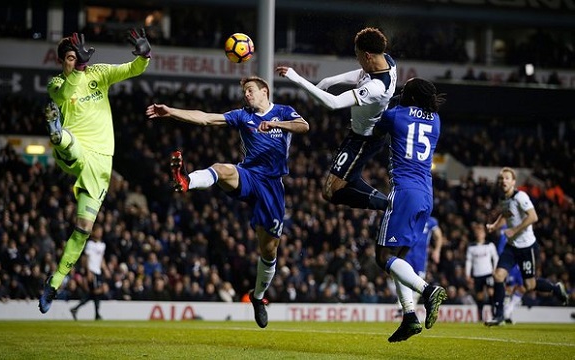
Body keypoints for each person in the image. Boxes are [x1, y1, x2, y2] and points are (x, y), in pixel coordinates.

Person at [145, 75, 309, 328]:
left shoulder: (284, 111)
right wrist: (171, 112)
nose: (247, 95)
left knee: (269, 249)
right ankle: (186, 180)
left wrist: (279, 125)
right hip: (249, 175)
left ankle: (258, 297)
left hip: (273, 186)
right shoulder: (243, 116)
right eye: (244, 92)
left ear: (265, 91)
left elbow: (304, 126)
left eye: (251, 90)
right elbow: (207, 118)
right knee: (221, 169)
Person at [38, 29, 152, 314]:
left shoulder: (99, 74)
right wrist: (78, 69)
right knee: (66, 142)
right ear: (62, 62)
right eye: (68, 58)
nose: (72, 61)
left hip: (102, 163)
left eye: (75, 56)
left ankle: (54, 283)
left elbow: (132, 69)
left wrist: (144, 54)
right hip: (76, 149)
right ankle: (56, 135)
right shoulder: (56, 84)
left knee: (83, 230)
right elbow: (64, 93)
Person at [275, 27, 395, 211]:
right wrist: (330, 80)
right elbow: (362, 74)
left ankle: (389, 206)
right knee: (346, 181)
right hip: (359, 134)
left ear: (368, 55)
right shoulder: (386, 61)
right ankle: (388, 204)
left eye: (358, 55)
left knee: (331, 192)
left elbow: (334, 103)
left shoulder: (378, 88)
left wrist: (296, 78)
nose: (357, 58)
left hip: (364, 140)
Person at [370, 77, 447, 343]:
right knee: (398, 261)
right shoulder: (435, 121)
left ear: (410, 95)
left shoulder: (396, 115)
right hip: (427, 194)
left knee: (382, 258)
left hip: (404, 192)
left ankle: (427, 291)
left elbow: (375, 131)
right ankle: (409, 317)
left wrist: (386, 103)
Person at [484, 167, 569, 326]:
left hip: (526, 247)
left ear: (513, 181)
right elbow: (506, 214)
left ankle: (556, 288)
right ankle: (499, 315)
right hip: (511, 247)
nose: (503, 181)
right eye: (502, 178)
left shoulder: (521, 196)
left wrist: (514, 230)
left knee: (529, 285)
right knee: (498, 276)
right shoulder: (503, 198)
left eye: (507, 178)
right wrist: (495, 226)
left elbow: (533, 216)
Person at [395, 215, 444, 317]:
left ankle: (409, 309)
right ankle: (402, 307)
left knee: (419, 281)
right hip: (406, 253)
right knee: (403, 278)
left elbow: (438, 236)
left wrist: (437, 251)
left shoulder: (431, 221)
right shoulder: (409, 217)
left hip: (420, 257)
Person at [69, 224, 108, 320]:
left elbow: (101, 259)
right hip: (92, 271)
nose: (100, 233)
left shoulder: (102, 245)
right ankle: (97, 314)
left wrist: (105, 269)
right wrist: (88, 271)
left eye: (101, 231)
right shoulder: (90, 244)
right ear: (93, 232)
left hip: (98, 271)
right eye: (98, 231)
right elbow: (86, 258)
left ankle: (76, 308)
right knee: (96, 292)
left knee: (94, 293)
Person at [465, 222, 498, 322]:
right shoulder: (471, 247)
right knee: (479, 296)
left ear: (484, 234)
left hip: (488, 273)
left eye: (481, 232)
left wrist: (495, 269)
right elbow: (468, 261)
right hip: (477, 274)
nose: (479, 234)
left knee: (491, 293)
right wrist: (467, 274)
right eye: (478, 232)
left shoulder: (490, 245)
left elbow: (495, 257)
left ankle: (494, 315)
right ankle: (480, 317)